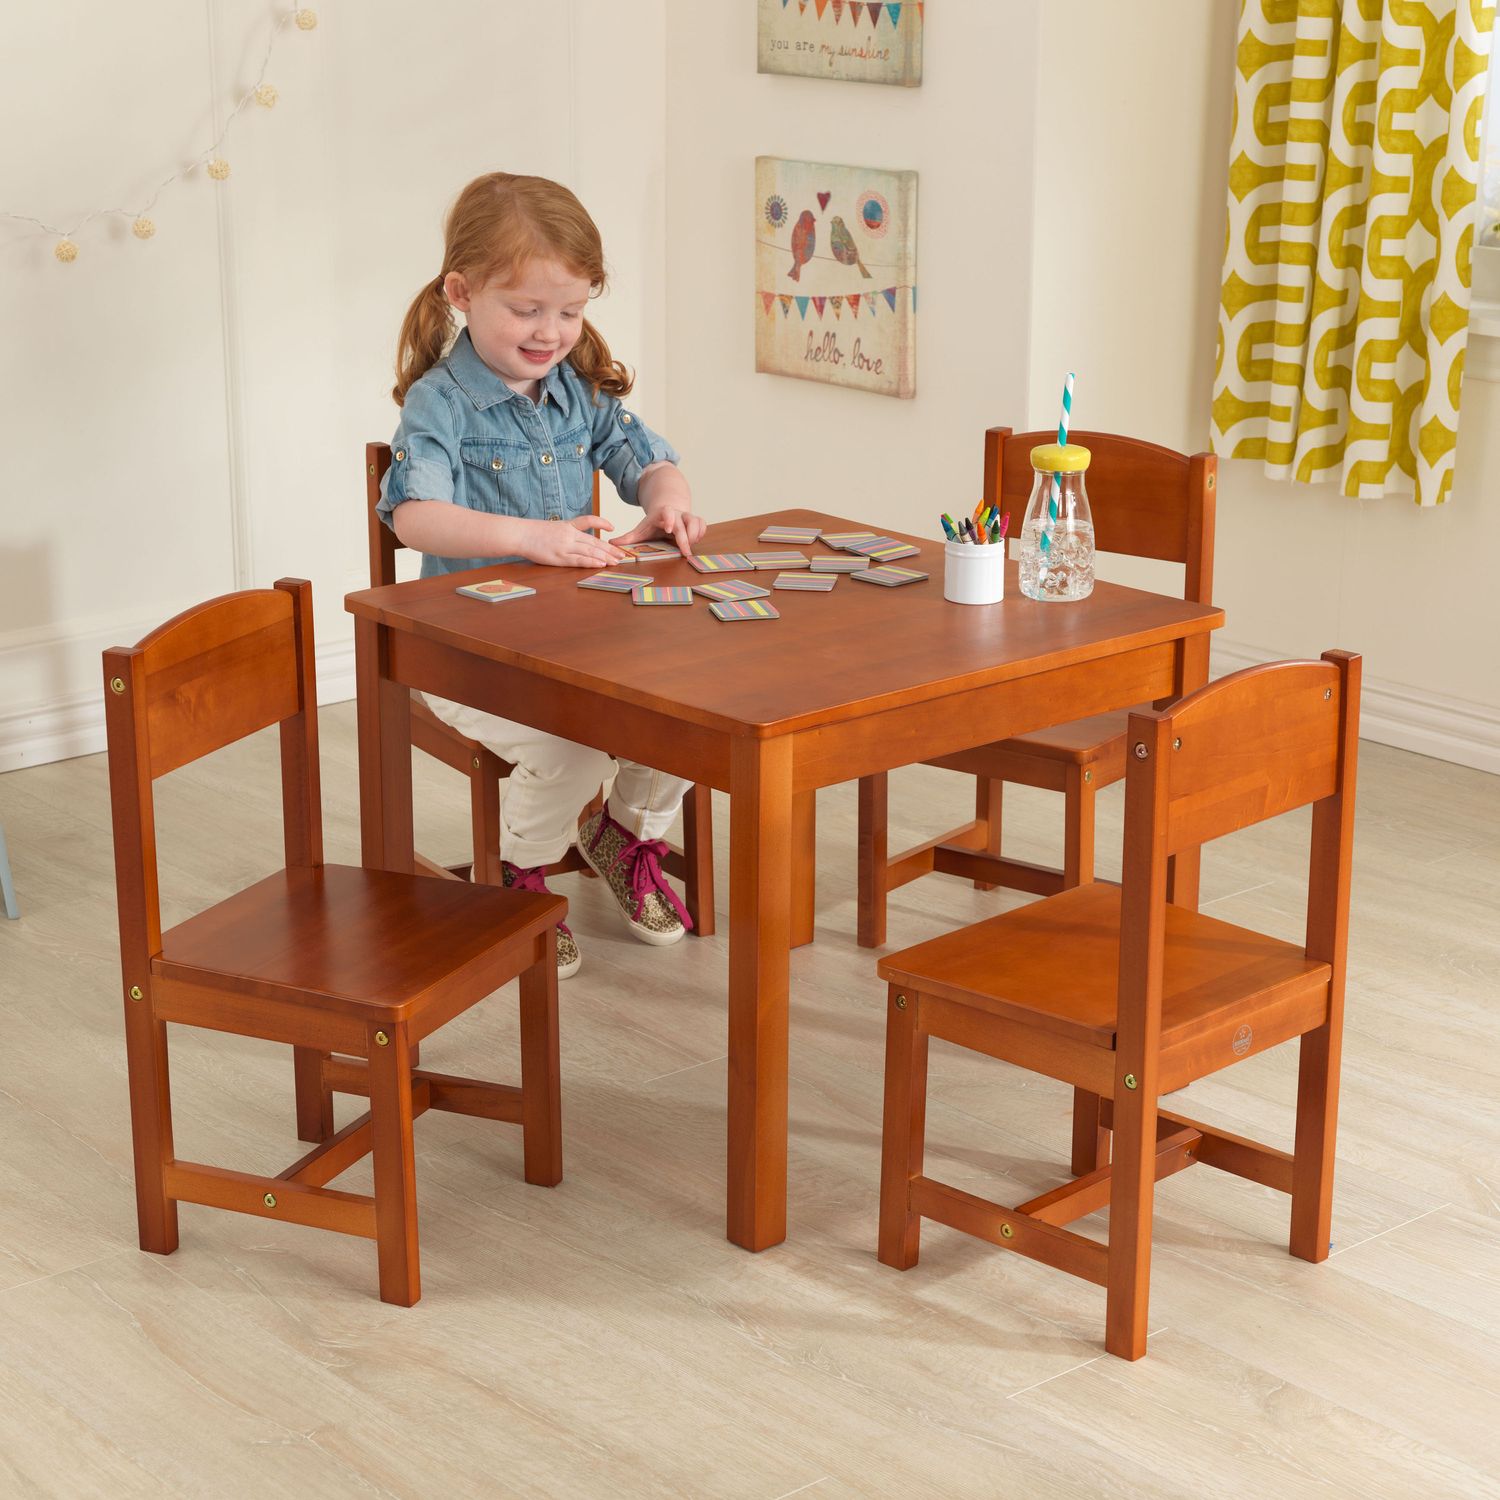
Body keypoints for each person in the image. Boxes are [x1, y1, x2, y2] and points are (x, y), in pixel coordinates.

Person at [379, 172, 706, 978]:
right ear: (462, 291)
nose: (550, 332)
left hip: (580, 643)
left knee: (695, 717)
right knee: (574, 753)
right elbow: (414, 513)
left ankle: (623, 837)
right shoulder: (440, 403)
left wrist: (669, 501)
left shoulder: (579, 393)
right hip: (466, 653)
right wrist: (532, 537)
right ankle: (522, 880)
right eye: (526, 310)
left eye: (571, 310)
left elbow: (649, 460)